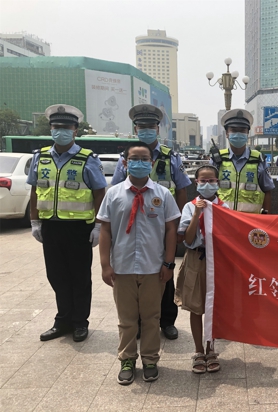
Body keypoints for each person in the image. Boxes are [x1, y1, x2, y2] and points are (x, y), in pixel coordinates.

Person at [97, 141, 181, 385]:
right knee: (126, 319)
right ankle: (127, 359)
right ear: (125, 162)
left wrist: (168, 264)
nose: (140, 162)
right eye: (135, 158)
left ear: (151, 163)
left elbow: (170, 231)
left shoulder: (163, 194)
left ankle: (150, 359)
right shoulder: (113, 194)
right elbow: (105, 231)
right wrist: (105, 265)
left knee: (152, 317)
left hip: (153, 269)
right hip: (122, 268)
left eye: (145, 159)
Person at [111, 104, 192, 340]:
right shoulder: (125, 158)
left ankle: (167, 321)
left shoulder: (171, 157)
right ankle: (136, 322)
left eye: (150, 127)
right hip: (133, 225)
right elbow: (115, 189)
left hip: (162, 224)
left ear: (158, 129)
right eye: (141, 127)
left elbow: (183, 191)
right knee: (136, 276)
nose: (146, 130)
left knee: (164, 274)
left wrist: (179, 224)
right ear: (135, 128)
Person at [28, 104, 106, 343]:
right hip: (50, 227)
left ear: (75, 131)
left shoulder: (87, 159)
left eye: (65, 127)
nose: (60, 131)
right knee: (57, 275)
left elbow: (99, 193)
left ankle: (80, 322)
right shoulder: (40, 157)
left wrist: (97, 226)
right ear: (50, 129)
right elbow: (34, 191)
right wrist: (34, 221)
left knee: (79, 277)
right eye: (56, 126)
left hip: (79, 229)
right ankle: (62, 320)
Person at [174, 165, 230, 374]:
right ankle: (198, 350)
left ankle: (211, 349)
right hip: (196, 258)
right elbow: (187, 239)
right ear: (196, 182)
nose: (207, 185)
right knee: (196, 307)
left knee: (214, 308)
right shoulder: (189, 207)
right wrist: (198, 212)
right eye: (203, 181)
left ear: (218, 182)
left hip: (218, 262)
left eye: (212, 181)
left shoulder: (224, 207)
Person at [210, 109, 274, 213]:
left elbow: (267, 191)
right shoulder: (217, 160)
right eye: (234, 130)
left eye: (242, 130)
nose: (238, 134)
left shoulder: (258, 160)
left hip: (250, 223)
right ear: (227, 133)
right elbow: (208, 191)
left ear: (248, 133)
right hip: (223, 221)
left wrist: (265, 219)